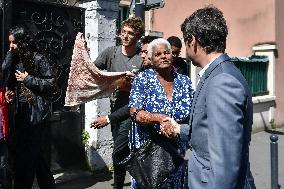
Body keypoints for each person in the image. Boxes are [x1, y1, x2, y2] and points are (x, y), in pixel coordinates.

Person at [161, 6, 256, 189]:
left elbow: (225, 166)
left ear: (193, 41)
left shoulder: (221, 81)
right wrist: (180, 129)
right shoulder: (218, 74)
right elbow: (210, 133)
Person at [129, 38, 194, 189]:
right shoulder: (142, 79)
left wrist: (177, 128)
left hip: (175, 151)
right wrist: (160, 119)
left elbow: (193, 112)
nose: (163, 56)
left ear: (173, 56)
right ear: (150, 59)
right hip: (148, 151)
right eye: (158, 54)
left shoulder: (184, 81)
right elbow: (135, 112)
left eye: (167, 52)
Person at [90, 17, 145, 189]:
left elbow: (145, 87)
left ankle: (141, 180)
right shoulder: (110, 53)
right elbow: (93, 71)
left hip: (132, 110)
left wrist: (133, 82)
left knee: (118, 151)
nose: (126, 36)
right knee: (121, 152)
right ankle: (123, 184)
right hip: (115, 109)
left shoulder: (141, 59)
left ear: (138, 37)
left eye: (130, 33)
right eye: (124, 32)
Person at [2, 26, 56, 189]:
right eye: (10, 43)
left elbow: (51, 84)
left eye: (14, 43)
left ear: (24, 42)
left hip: (36, 115)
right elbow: (4, 76)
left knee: (27, 158)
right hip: (19, 114)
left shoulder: (39, 59)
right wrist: (8, 93)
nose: (11, 46)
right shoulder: (14, 59)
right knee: (35, 156)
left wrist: (28, 79)